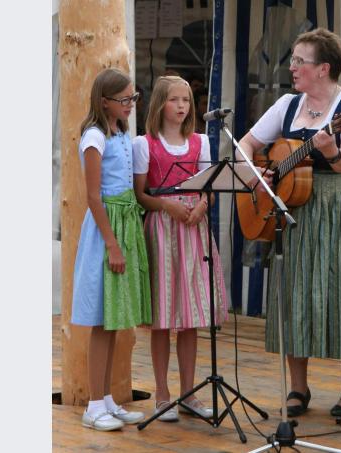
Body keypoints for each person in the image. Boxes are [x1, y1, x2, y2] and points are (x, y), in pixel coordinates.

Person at [237, 28, 341, 418]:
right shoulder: (288, 105)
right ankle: (298, 387)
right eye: (292, 59)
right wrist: (258, 174)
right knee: (293, 290)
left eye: (299, 61)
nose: (292, 67)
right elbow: (244, 145)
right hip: (293, 207)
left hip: (340, 204)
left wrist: (331, 148)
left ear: (323, 68)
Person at [133, 75, 229, 422]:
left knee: (189, 320)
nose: (182, 107)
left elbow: (209, 187)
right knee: (162, 318)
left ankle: (189, 393)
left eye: (186, 100)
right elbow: (141, 193)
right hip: (162, 228)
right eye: (174, 100)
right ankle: (161, 394)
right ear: (160, 103)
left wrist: (203, 205)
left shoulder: (200, 142)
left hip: (193, 228)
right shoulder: (145, 145)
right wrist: (168, 207)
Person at [72, 68, 151, 431]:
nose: (130, 105)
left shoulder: (121, 133)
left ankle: (106, 400)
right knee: (101, 320)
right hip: (107, 229)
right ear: (105, 101)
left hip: (124, 223)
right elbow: (92, 196)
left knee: (113, 319)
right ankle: (92, 405)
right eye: (124, 100)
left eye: (133, 99)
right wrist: (112, 244)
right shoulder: (94, 136)